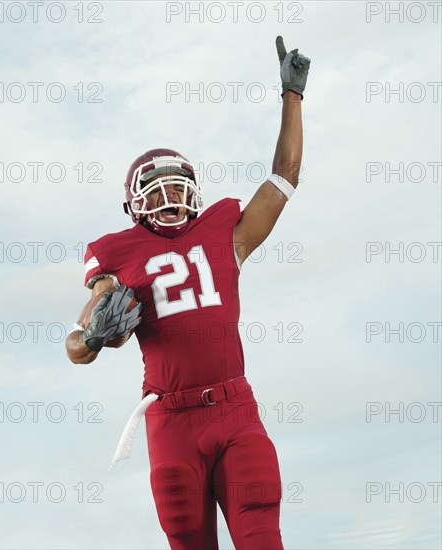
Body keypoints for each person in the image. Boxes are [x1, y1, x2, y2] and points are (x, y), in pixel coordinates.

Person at [66, 35, 310, 550]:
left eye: (178, 187)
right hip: (171, 418)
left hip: (234, 407)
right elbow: (76, 343)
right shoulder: (118, 253)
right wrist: (91, 338)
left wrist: (293, 95)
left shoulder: (227, 232)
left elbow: (284, 177)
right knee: (188, 541)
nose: (171, 196)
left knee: (261, 530)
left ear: (194, 194)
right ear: (136, 204)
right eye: (157, 190)